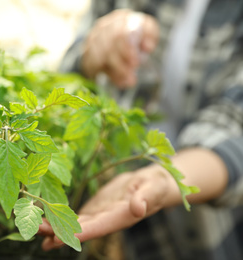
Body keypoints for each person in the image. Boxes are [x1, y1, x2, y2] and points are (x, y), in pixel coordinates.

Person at [38, 0, 243, 259]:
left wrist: (164, 179)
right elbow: (67, 78)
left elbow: (234, 122)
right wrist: (93, 54)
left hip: (221, 232)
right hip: (136, 230)